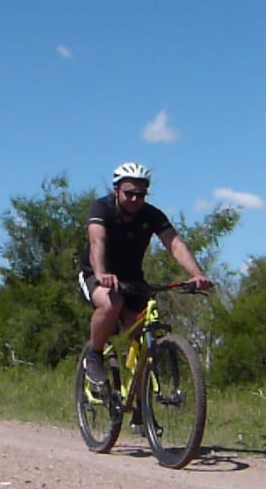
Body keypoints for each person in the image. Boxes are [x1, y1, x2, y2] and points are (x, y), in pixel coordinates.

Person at [78, 162, 212, 387]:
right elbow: (96, 240)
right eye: (129, 193)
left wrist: (197, 274)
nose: (134, 199)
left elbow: (175, 244)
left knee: (140, 331)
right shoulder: (102, 209)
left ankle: (141, 406)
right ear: (116, 189)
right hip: (97, 273)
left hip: (132, 279)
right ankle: (94, 355)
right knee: (111, 304)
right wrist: (101, 273)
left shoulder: (151, 215)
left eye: (140, 194)